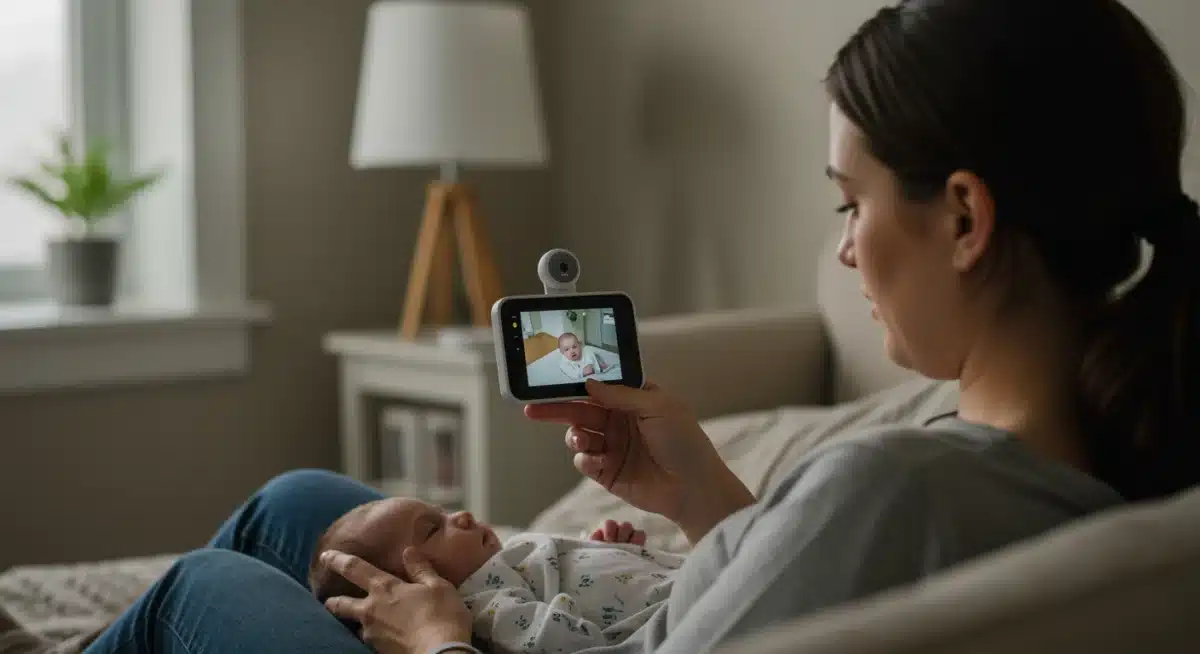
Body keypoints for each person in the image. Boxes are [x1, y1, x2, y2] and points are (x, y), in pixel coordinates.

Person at [84, 0, 1200, 652]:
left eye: (850, 203)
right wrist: (696, 493)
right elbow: (805, 603)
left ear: (964, 217)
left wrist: (435, 641)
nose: (847, 249)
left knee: (205, 589)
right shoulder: (1100, 466)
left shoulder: (899, 485)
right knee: (304, 505)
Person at [309, 498, 680, 653]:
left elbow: (550, 568)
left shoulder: (501, 564)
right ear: (409, 590)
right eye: (433, 529)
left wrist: (598, 554)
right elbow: (565, 641)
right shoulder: (487, 606)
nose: (463, 516)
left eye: (444, 512)